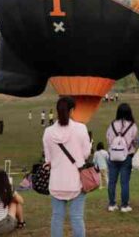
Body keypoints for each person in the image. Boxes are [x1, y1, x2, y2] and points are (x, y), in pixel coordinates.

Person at [44, 96, 91, 237]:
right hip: (76, 181)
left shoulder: (48, 132)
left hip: (56, 182)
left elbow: (48, 159)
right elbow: (86, 154)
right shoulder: (81, 129)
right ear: (71, 111)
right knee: (77, 217)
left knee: (57, 218)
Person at [106, 103, 138, 212]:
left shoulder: (112, 125)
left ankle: (112, 204)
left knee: (112, 181)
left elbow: (108, 138)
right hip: (127, 155)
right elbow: (134, 141)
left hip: (113, 155)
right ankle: (124, 205)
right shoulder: (132, 126)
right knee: (124, 182)